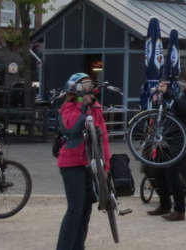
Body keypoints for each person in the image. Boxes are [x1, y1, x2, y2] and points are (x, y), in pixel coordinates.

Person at [54, 73, 112, 250]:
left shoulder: (96, 107)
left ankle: (78, 246)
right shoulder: (69, 107)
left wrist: (106, 165)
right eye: (83, 86)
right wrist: (83, 106)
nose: (88, 89)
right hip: (72, 164)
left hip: (90, 163)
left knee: (86, 208)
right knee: (75, 209)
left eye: (89, 85)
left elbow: (103, 137)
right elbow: (71, 128)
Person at [145, 74, 186, 221]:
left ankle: (179, 210)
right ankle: (165, 204)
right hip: (167, 139)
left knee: (173, 175)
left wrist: (168, 93)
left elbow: (182, 108)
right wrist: (157, 101)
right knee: (157, 171)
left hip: (180, 143)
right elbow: (169, 110)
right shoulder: (182, 96)